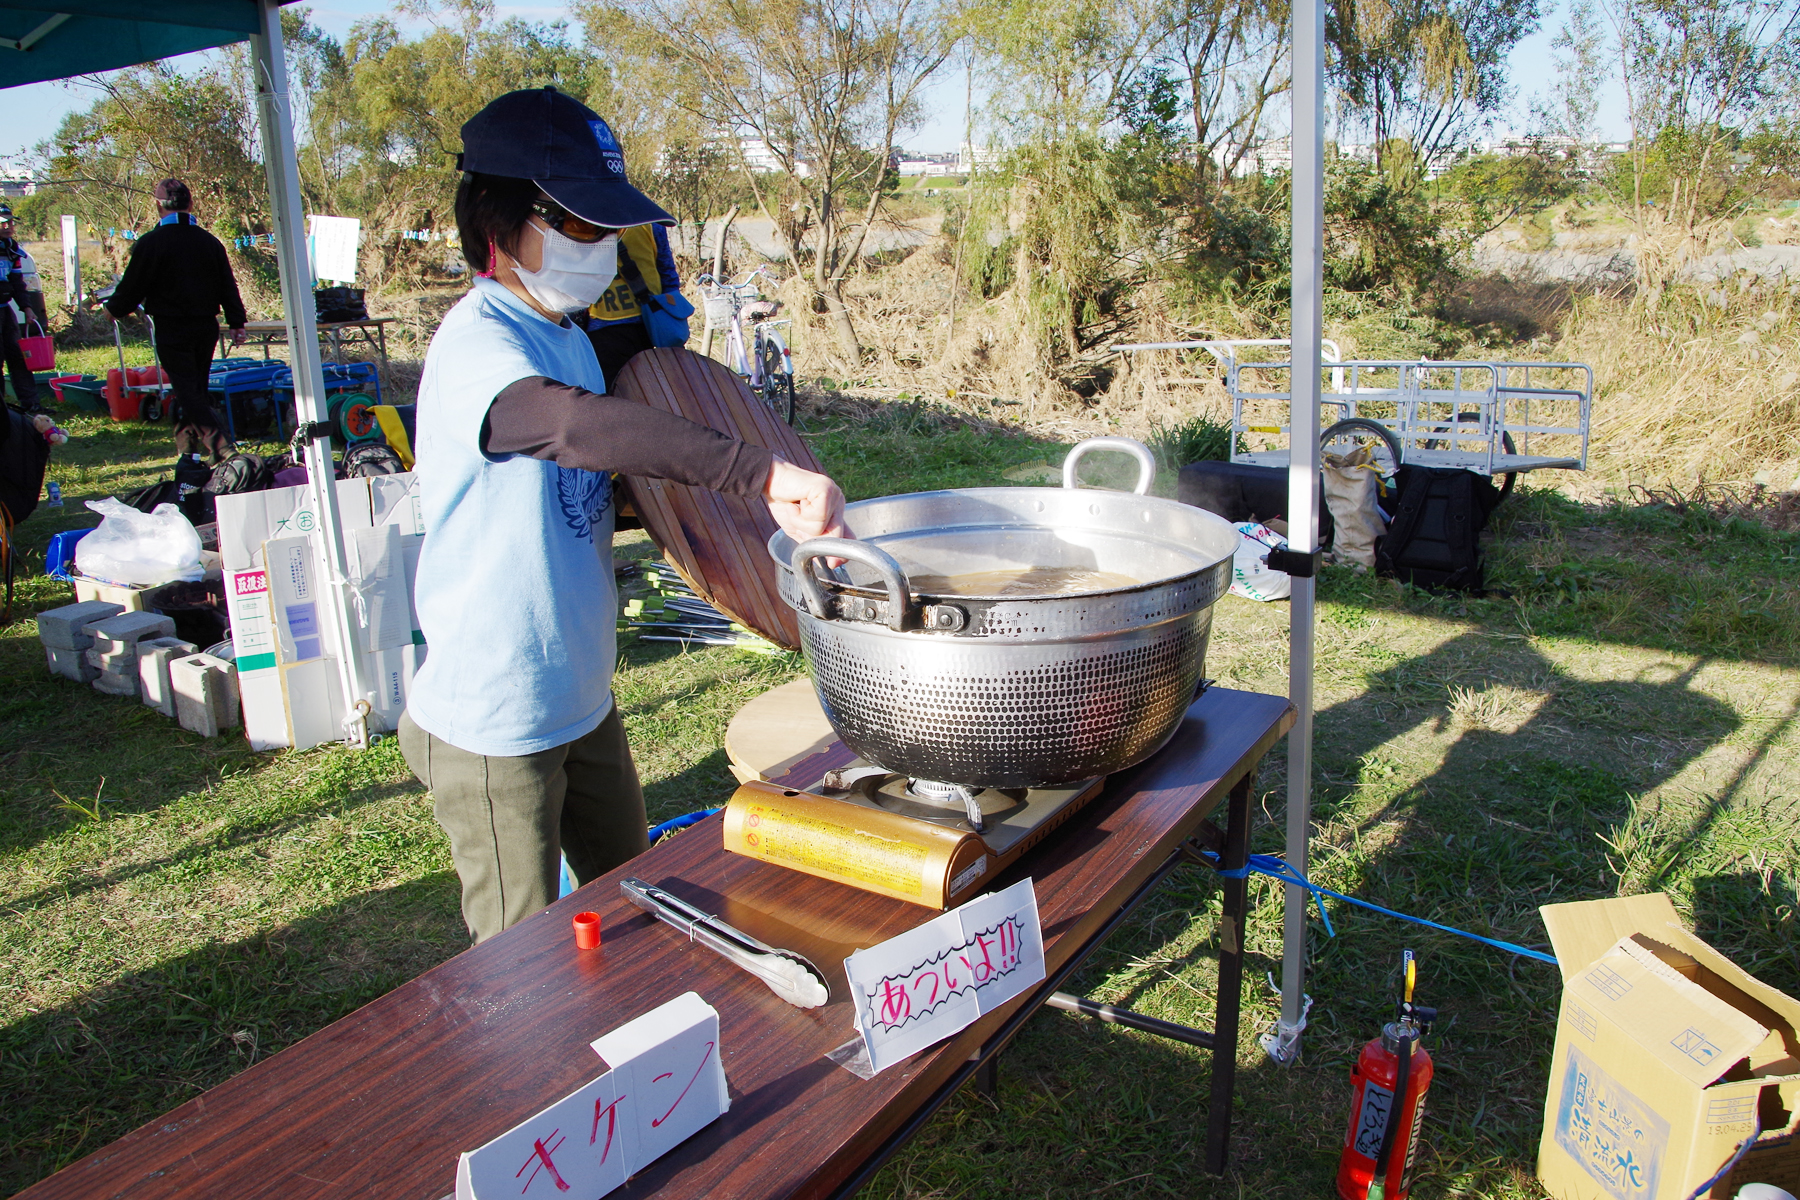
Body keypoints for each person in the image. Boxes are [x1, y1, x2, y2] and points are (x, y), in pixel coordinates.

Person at [397, 87, 847, 944]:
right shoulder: (479, 345)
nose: (599, 248)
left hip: (579, 695)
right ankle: (542, 1083)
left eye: (606, 228)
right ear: (499, 220)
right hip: (499, 722)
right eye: (577, 224)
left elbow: (594, 487)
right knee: (522, 958)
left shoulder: (566, 331)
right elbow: (572, 428)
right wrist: (756, 473)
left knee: (634, 905)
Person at [103, 178, 247, 461]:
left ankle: (223, 449)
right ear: (190, 204)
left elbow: (133, 286)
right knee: (193, 389)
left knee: (187, 391)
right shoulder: (210, 242)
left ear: (157, 205)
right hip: (206, 326)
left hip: (172, 326)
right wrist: (236, 322)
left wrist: (113, 309)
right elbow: (227, 285)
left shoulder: (151, 243)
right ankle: (187, 451)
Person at [585, 221, 694, 385]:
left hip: (601, 327)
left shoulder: (580, 223)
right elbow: (668, 275)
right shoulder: (652, 224)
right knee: (654, 390)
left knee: (613, 395)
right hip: (650, 323)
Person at [0, 205, 41, 411]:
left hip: (5, 310)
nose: (8, 226)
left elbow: (17, 281)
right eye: (2, 222)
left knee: (18, 356)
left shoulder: (12, 249)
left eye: (11, 222)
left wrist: (26, 306)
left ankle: (31, 404)